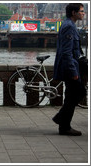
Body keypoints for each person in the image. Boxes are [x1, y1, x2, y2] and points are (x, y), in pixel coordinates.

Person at [52, 3, 86, 136]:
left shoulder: (69, 25)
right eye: (81, 11)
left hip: (71, 66)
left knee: (71, 96)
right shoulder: (69, 27)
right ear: (73, 12)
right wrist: (73, 72)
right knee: (79, 92)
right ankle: (62, 121)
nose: (83, 13)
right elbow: (66, 52)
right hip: (69, 68)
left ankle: (63, 125)